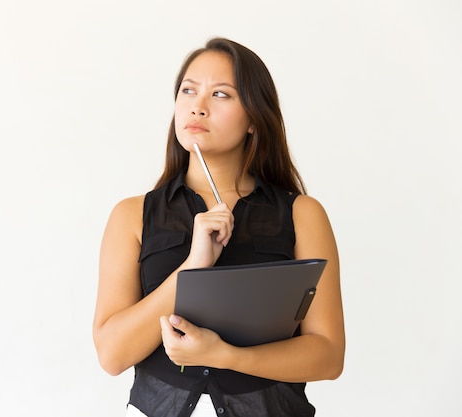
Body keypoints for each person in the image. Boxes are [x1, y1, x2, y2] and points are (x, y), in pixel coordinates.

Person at [93, 37, 345, 417]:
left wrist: (225, 356)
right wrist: (192, 267)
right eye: (188, 90)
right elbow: (112, 355)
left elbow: (328, 355)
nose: (198, 106)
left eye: (221, 95)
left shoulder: (301, 214)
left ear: (254, 120)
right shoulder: (133, 215)